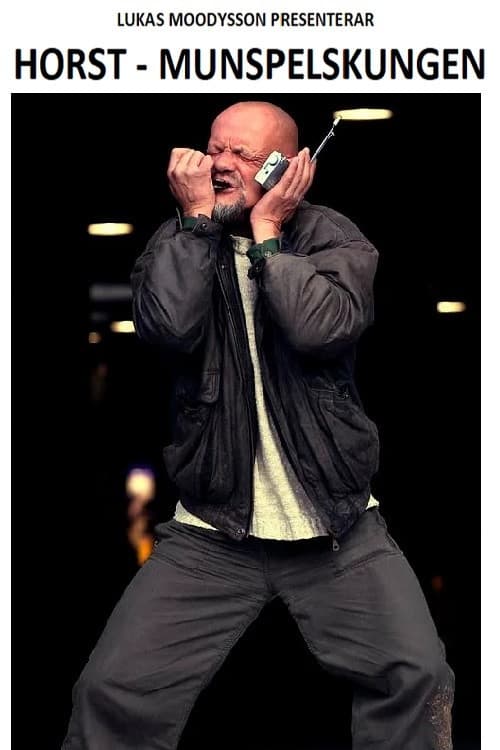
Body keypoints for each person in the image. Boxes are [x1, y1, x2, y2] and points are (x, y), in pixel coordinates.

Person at [62, 101, 454, 749]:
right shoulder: (178, 240)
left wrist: (268, 232)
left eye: (242, 154)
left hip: (337, 525)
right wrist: (195, 226)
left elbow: (319, 328)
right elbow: (168, 328)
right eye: (214, 148)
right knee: (110, 690)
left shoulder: (333, 237)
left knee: (418, 674)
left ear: (285, 166)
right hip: (213, 531)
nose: (219, 164)